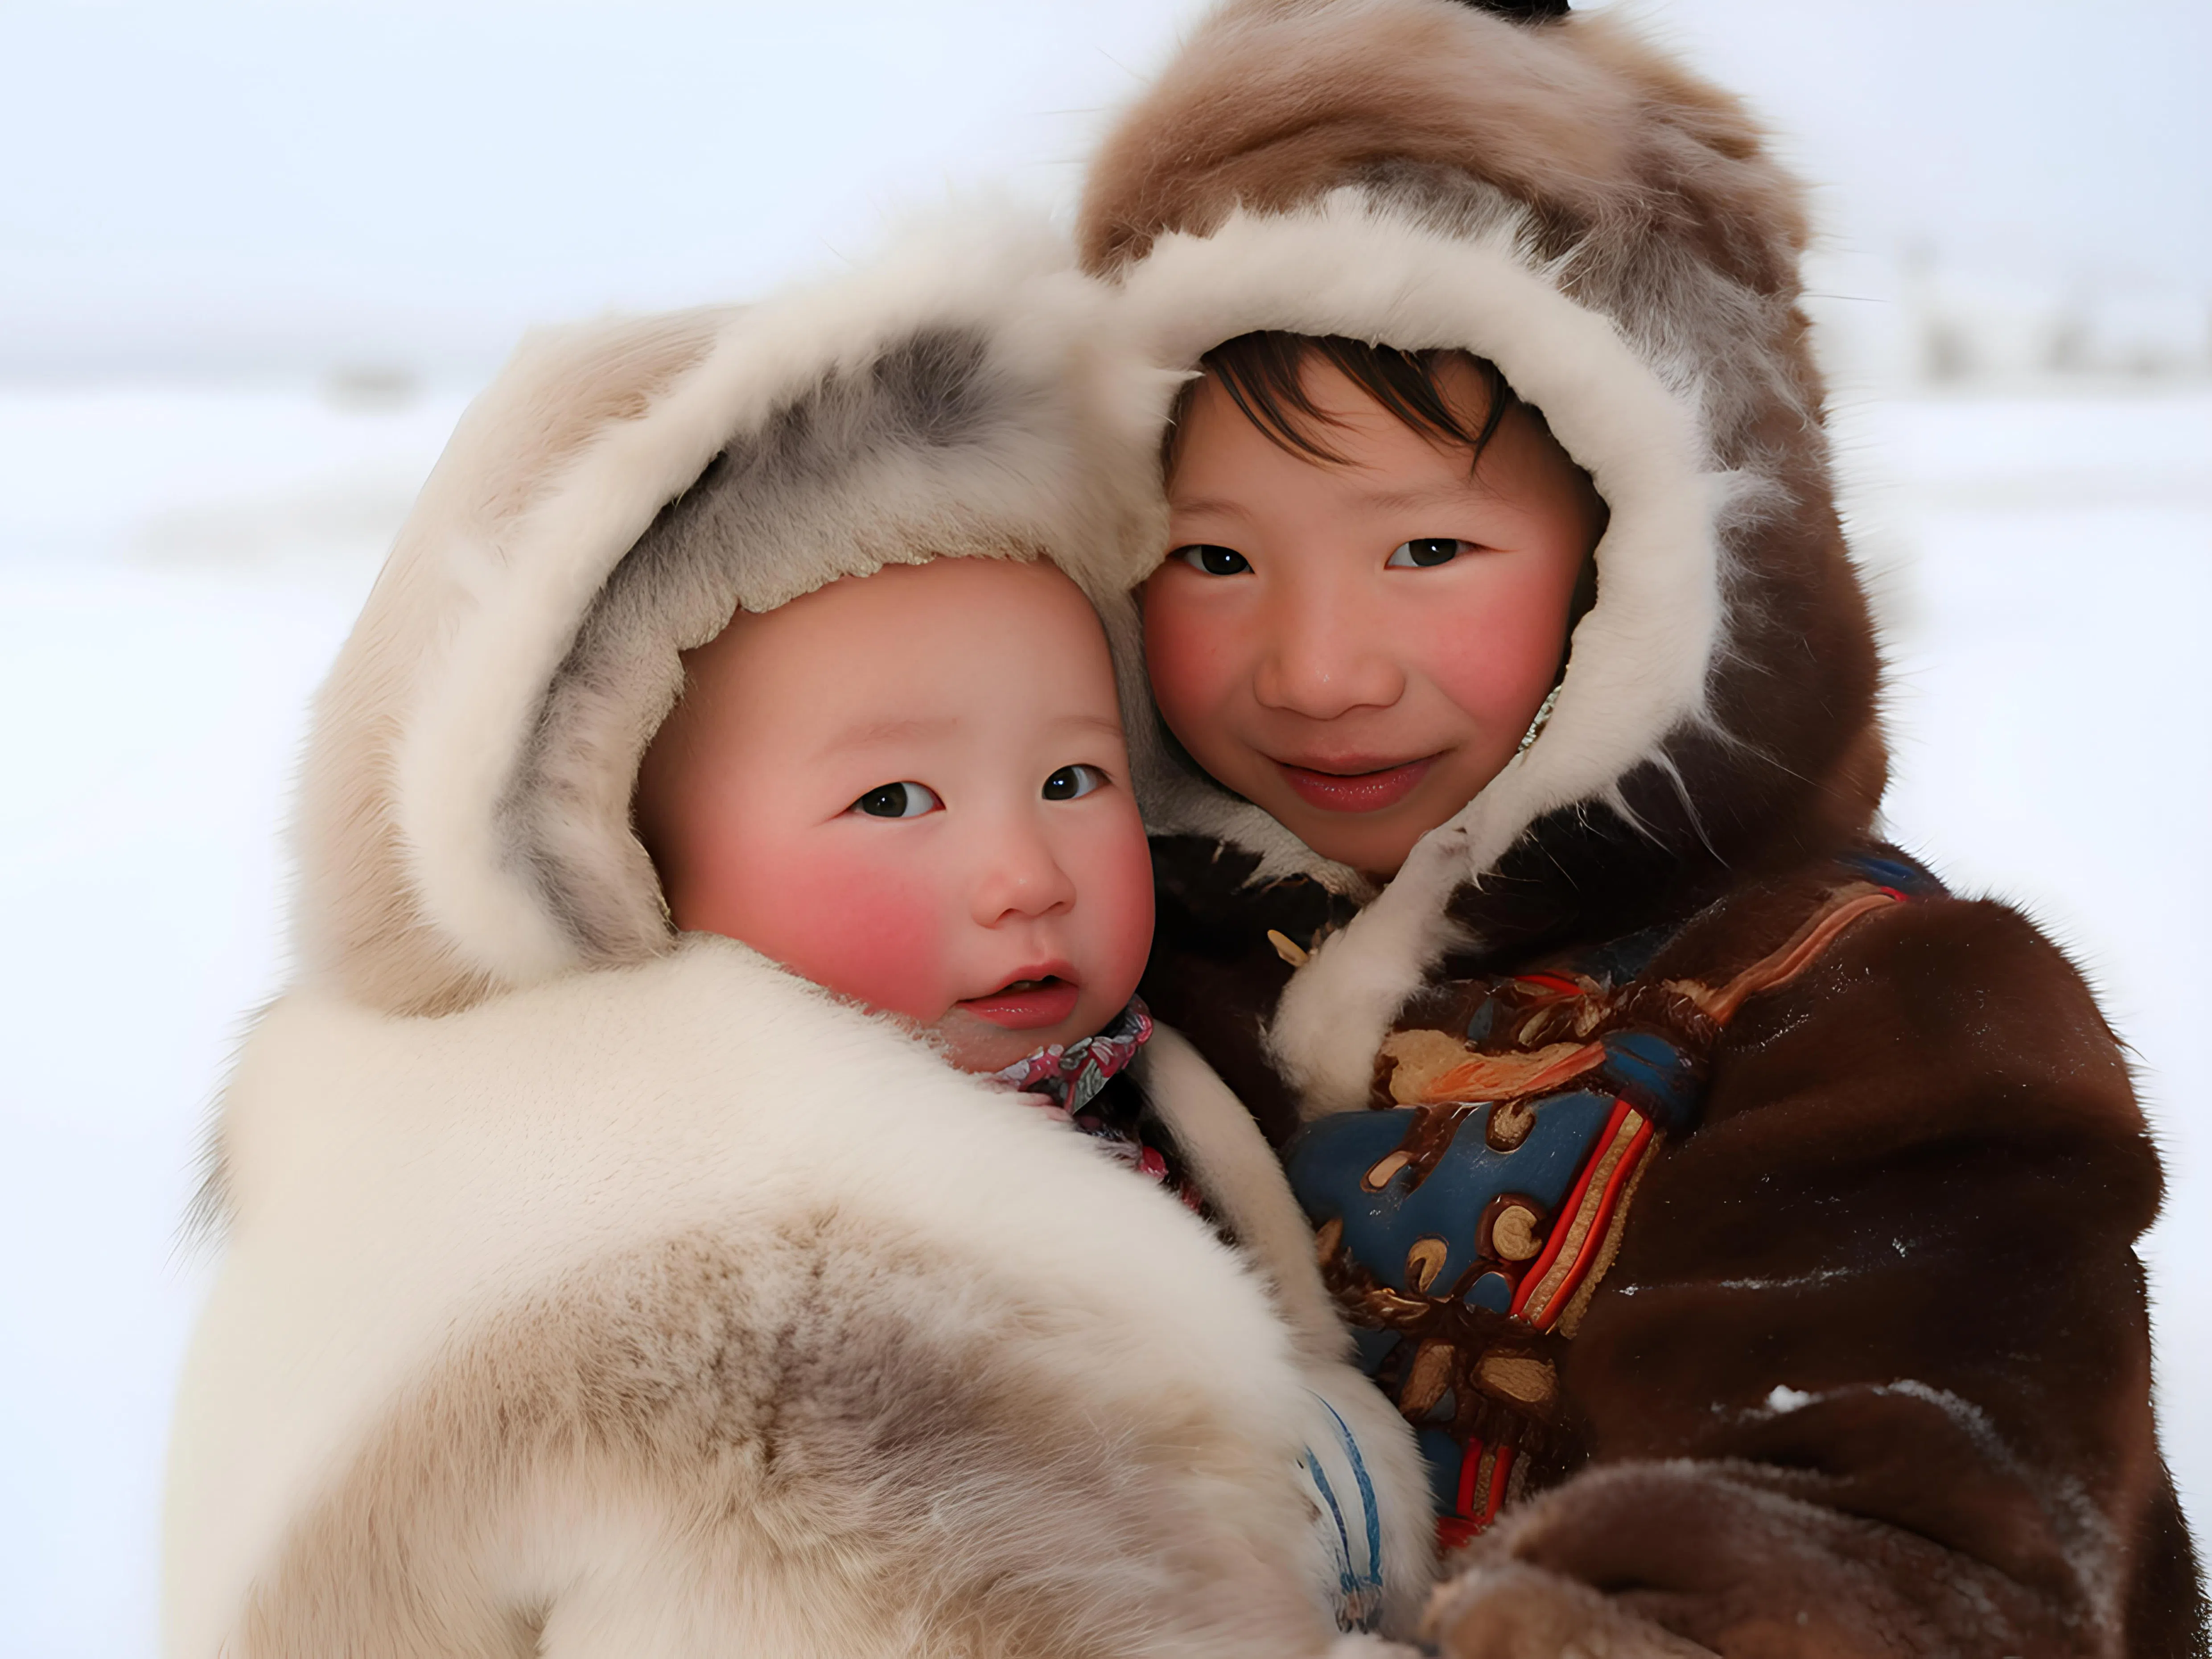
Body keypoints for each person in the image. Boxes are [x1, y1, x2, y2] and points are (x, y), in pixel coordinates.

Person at [1074, 0, 2204, 1653]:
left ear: (1647, 551)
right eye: (1216, 559)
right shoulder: (1095, 961)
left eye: (1428, 552)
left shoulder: (1868, 1014)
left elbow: (1905, 1519)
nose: (1316, 673)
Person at [160, 218, 1433, 1657]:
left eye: (1073, 779)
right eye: (896, 799)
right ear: (617, 875)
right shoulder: (734, 1353)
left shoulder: (1095, 1087)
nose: (1026, 872)